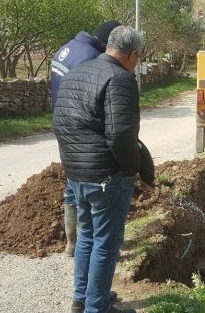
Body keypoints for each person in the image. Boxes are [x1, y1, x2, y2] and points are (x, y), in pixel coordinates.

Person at [54, 25, 143, 313]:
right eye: (138, 58)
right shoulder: (120, 79)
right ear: (132, 55)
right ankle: (97, 307)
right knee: (105, 243)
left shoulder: (77, 71)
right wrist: (132, 168)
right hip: (105, 175)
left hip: (76, 172)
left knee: (87, 237)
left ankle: (82, 300)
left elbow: (61, 122)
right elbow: (120, 135)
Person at [51, 20, 120, 257]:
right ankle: (83, 242)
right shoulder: (89, 58)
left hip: (63, 122)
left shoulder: (68, 48)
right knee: (82, 185)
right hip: (80, 126)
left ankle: (73, 243)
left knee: (72, 179)